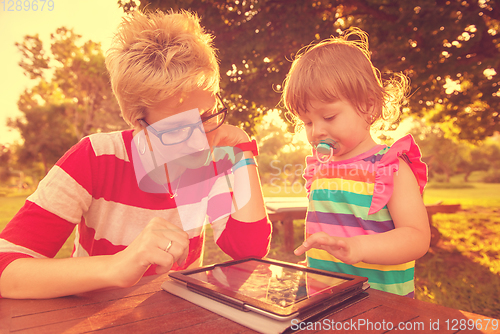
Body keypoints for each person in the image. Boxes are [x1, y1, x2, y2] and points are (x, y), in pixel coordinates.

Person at [0, 10, 271, 299]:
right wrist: (117, 266)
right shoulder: (95, 157)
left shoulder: (213, 159)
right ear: (137, 122)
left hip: (176, 318)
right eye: (178, 130)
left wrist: (243, 152)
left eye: (207, 116)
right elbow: (7, 269)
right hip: (91, 317)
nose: (201, 143)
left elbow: (248, 252)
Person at [282, 28, 429, 297]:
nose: (316, 131)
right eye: (307, 122)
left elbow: (417, 237)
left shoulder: (388, 166)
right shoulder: (320, 168)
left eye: (329, 117)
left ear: (369, 106)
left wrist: (359, 248)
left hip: (380, 306)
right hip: (322, 298)